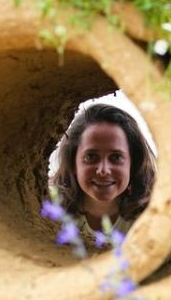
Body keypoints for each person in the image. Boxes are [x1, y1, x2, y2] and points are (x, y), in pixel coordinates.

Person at [50, 103, 156, 251]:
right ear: (73, 163)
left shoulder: (151, 215)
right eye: (91, 156)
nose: (103, 170)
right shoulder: (50, 209)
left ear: (133, 164)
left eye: (116, 157)